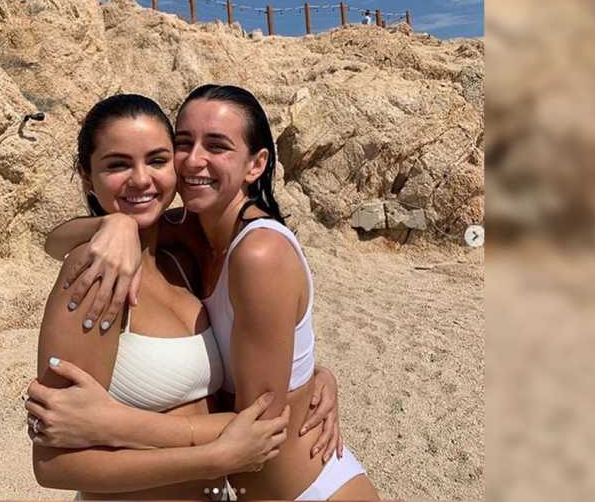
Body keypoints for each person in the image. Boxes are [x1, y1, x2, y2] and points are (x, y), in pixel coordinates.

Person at [44, 85, 380, 500]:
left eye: (216, 146)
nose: (193, 160)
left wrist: (114, 424)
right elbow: (54, 242)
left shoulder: (250, 252)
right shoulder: (181, 237)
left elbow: (261, 424)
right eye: (184, 143)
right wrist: (111, 224)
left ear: (256, 164)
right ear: (87, 175)